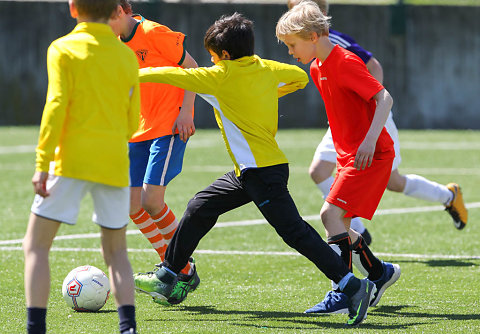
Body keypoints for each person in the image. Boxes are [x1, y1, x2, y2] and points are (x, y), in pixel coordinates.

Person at [134, 12, 376, 326]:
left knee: (296, 234)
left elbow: (169, 74)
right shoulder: (265, 68)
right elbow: (299, 78)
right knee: (200, 206)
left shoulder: (218, 77)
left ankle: (354, 286)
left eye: (212, 56)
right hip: (250, 172)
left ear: (222, 55)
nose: (210, 61)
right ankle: (169, 274)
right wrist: (268, 92)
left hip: (261, 174)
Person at [287, 0, 468, 246]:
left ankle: (448, 195)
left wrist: (368, 111)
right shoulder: (315, 64)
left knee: (393, 182)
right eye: (291, 9)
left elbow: (373, 69)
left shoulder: (334, 46)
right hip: (345, 124)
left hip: (371, 119)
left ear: (318, 19)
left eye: (297, 9)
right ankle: (354, 231)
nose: (292, 15)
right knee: (319, 171)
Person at [276, 0, 401, 316]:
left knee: (329, 216)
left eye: (293, 44)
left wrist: (370, 140)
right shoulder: (318, 68)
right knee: (342, 226)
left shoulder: (344, 61)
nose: (291, 52)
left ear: (313, 36)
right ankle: (378, 273)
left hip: (371, 155)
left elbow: (384, 98)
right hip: (350, 155)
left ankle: (343, 292)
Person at [22, 1, 139, 333]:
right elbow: (133, 120)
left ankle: (36, 328)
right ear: (117, 10)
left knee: (36, 245)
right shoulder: (126, 55)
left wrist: (42, 163)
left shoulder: (62, 49)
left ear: (73, 8)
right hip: (114, 164)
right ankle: (127, 327)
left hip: (70, 161)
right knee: (117, 252)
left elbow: (56, 105)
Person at [109, 0, 200, 306]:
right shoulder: (116, 43)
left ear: (121, 11)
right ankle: (176, 268)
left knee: (151, 200)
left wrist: (186, 111)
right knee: (133, 205)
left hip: (169, 124)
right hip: (139, 130)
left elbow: (192, 68)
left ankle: (178, 269)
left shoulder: (153, 31)